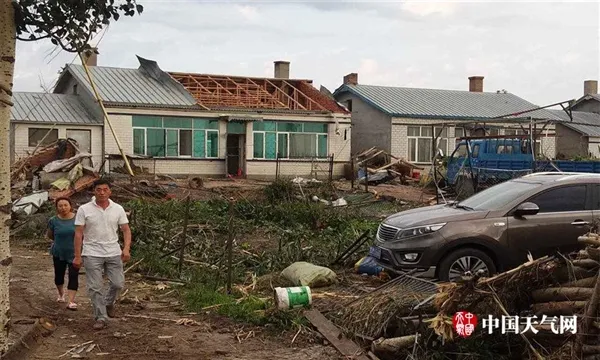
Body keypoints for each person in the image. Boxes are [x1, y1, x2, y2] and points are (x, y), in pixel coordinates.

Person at [73, 178, 131, 330]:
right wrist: (78, 256)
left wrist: (126, 248)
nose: (102, 193)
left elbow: (125, 229)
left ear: (110, 191)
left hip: (113, 251)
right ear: (94, 191)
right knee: (95, 286)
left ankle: (108, 302)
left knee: (118, 283)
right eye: (99, 190)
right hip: (91, 252)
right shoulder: (84, 209)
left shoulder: (117, 208)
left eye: (105, 189)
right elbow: (78, 234)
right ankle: (101, 316)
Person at [47, 197, 79, 310]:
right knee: (59, 276)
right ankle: (61, 294)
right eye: (60, 206)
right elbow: (50, 235)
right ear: (56, 208)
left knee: (73, 276)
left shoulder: (78, 219)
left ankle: (71, 301)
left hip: (75, 253)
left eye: (65, 205)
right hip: (58, 252)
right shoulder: (53, 220)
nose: (63, 208)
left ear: (70, 206)